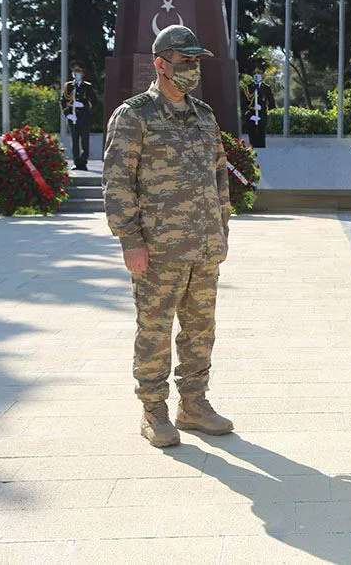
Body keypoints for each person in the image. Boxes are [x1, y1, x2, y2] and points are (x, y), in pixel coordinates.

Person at [102, 24, 234, 448]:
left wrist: (222, 230)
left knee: (200, 330)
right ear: (161, 64)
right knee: (154, 330)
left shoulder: (205, 116)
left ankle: (193, 405)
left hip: (204, 248)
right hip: (157, 252)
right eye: (185, 61)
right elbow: (117, 182)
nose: (193, 69)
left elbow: (219, 177)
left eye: (196, 61)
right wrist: (130, 241)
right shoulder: (134, 115)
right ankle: (154, 409)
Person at [59, 60, 97, 171]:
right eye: (74, 72)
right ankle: (76, 162)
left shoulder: (87, 86)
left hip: (84, 118)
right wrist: (68, 115)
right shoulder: (68, 86)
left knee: (84, 141)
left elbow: (94, 102)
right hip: (73, 118)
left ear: (82, 74)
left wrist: (83, 105)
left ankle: (83, 163)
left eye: (78, 72)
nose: (76, 74)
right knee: (74, 141)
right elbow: (63, 101)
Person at [241, 68, 275, 148]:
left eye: (259, 73)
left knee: (261, 135)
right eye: (255, 73)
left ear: (263, 75)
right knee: (252, 135)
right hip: (251, 115)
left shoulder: (266, 88)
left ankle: (262, 151)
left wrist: (263, 108)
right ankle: (253, 151)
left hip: (262, 114)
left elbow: (272, 103)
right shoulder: (248, 87)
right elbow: (243, 103)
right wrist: (250, 114)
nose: (257, 75)